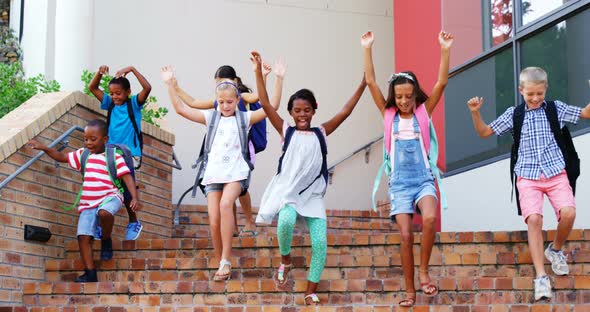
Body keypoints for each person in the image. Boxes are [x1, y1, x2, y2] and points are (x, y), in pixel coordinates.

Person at [251, 51, 367, 305]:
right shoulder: (287, 130)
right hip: (290, 193)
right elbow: (267, 105)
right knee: (284, 223)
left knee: (320, 243)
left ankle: (310, 290)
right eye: (297, 111)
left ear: (314, 110)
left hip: (313, 197)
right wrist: (259, 72)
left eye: (307, 110)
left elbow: (345, 112)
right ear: (291, 113)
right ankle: (285, 259)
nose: (302, 115)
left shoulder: (321, 132)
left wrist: (362, 85)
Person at [467, 66, 590, 301]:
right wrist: (475, 113)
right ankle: (541, 277)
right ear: (521, 90)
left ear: (545, 89)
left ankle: (554, 250)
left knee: (569, 213)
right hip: (527, 176)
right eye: (530, 94)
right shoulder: (514, 114)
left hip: (555, 172)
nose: (535, 99)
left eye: (539, 94)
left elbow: (585, 113)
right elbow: (484, 132)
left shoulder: (556, 109)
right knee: (534, 219)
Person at [361, 30, 454, 306]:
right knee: (404, 235)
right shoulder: (388, 114)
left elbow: (441, 82)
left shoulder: (423, 112)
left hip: (423, 179)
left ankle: (424, 271)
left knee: (428, 219)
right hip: (399, 184)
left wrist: (445, 49)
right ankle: (410, 289)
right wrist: (367, 48)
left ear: (416, 96)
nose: (403, 101)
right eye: (399, 97)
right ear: (394, 97)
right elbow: (370, 81)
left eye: (408, 97)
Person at [161, 64, 268, 281]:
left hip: (237, 167)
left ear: (237, 98)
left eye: (229, 101)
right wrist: (171, 85)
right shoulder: (212, 114)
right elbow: (183, 108)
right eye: (221, 101)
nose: (225, 105)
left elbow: (268, 104)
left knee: (227, 204)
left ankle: (227, 259)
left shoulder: (243, 112)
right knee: (213, 220)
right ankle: (220, 261)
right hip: (213, 172)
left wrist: (263, 75)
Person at [173, 63, 286, 236]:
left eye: (224, 81)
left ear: (234, 81)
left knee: (241, 189)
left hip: (242, 149)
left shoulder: (242, 96)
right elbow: (193, 103)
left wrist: (263, 76)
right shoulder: (219, 101)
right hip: (222, 151)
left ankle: (249, 222)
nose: (221, 86)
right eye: (218, 82)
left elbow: (259, 97)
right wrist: (174, 87)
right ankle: (231, 225)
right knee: (225, 189)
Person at [28, 119, 141, 282]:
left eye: (93, 139)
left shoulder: (114, 157)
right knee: (83, 236)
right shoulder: (83, 154)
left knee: (104, 213)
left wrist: (134, 198)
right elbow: (62, 157)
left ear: (105, 139)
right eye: (86, 139)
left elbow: (127, 177)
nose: (88, 142)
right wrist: (45, 147)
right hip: (88, 202)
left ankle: (106, 238)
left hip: (111, 197)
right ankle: (90, 273)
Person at [88, 65, 152, 240]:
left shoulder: (133, 104)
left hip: (130, 154)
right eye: (112, 93)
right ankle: (101, 226)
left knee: (125, 187)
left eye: (118, 93)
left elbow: (147, 88)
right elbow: (92, 88)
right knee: (106, 187)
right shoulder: (110, 104)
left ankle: (133, 222)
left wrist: (132, 69)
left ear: (128, 92)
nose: (115, 96)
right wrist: (99, 73)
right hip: (111, 153)